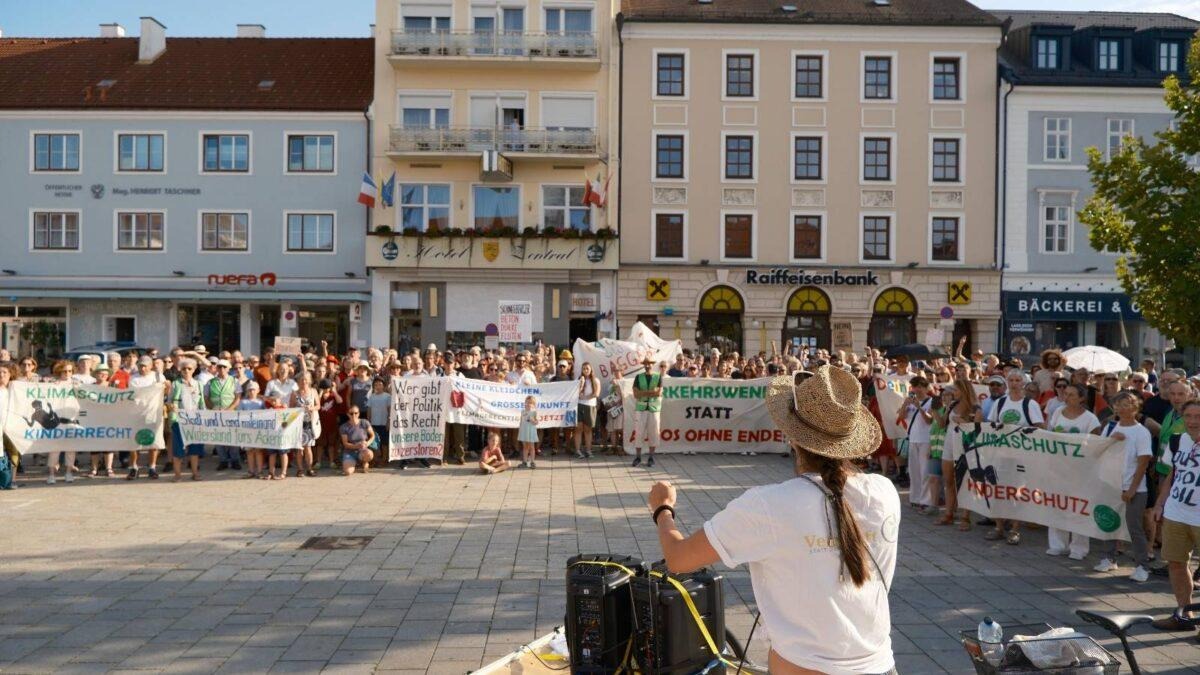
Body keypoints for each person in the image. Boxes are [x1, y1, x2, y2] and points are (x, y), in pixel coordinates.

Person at [647, 366, 898, 674]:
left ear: (791, 437)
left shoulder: (768, 506)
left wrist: (663, 509)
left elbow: (679, 558)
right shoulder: (885, 493)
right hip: (881, 665)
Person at [1092, 392, 1154, 581]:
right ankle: (1109, 558)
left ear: (1135, 408)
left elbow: (1143, 463)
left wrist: (1132, 489)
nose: (1122, 408)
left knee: (1134, 527)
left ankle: (1142, 566)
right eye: (1118, 405)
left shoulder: (1141, 432)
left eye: (1127, 404)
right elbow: (1099, 450)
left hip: (1133, 487)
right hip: (1110, 484)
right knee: (1109, 521)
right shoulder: (1110, 426)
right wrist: (1112, 440)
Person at [1150, 400, 1200, 634]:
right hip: (1176, 513)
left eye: (1198, 416)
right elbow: (1173, 474)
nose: (1192, 421)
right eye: (1188, 416)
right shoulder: (1178, 440)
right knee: (1177, 564)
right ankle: (1184, 614)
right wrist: (1160, 503)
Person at [985, 369, 1045, 545]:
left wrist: (1024, 433)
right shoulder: (1000, 402)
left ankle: (1015, 529)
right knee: (998, 489)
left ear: (1023, 383)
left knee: (1017, 491)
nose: (1014, 383)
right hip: (1001, 454)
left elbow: (1040, 427)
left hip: (1021, 456)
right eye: (1011, 380)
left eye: (1018, 380)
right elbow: (991, 425)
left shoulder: (1030, 404)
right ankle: (998, 527)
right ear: (1007, 383)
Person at [1045, 384, 1100, 560]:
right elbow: (1050, 435)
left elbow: (1095, 444)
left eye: (1071, 395)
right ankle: (1057, 544)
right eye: (1065, 394)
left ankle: (1079, 548)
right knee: (1056, 504)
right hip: (1058, 468)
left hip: (1080, 470)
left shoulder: (1090, 419)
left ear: (1081, 398)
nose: (1067, 397)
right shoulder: (1057, 412)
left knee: (1079, 507)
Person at [896, 376, 934, 511]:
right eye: (913, 387)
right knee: (913, 471)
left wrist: (920, 407)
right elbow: (901, 417)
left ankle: (925, 500)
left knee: (925, 471)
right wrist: (906, 404)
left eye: (918, 386)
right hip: (912, 439)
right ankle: (915, 498)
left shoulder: (932, 401)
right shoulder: (910, 401)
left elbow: (929, 421)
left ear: (924, 387)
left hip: (926, 440)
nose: (915, 389)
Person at [166, 358, 205, 482]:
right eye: (184, 368)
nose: (186, 371)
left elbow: (202, 404)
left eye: (189, 368)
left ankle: (195, 473)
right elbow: (169, 401)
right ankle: (177, 475)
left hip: (194, 421)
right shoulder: (176, 384)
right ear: (180, 370)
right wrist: (171, 406)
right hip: (179, 421)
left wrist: (203, 419)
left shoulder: (198, 384)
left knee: (194, 449)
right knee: (178, 449)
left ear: (194, 370)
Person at [207, 359, 242, 471]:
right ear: (216, 368)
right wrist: (213, 408)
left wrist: (228, 410)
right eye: (219, 367)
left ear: (228, 369)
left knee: (233, 437)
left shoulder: (234, 381)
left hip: (231, 413)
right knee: (219, 437)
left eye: (224, 367)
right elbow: (206, 398)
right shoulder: (210, 382)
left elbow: (237, 398)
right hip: (216, 413)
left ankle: (234, 460)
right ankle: (223, 460)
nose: (221, 369)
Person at [631, 356, 663, 468]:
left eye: (649, 363)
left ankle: (651, 457)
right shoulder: (638, 377)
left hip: (654, 409)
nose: (648, 365)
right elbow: (636, 394)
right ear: (644, 365)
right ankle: (638, 457)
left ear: (652, 364)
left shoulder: (658, 376)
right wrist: (651, 392)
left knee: (653, 433)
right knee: (639, 433)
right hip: (641, 408)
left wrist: (643, 392)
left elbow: (659, 393)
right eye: (646, 363)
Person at [290, 371, 319, 477]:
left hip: (309, 423)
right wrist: (297, 409)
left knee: (308, 447)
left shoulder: (313, 391)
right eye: (301, 380)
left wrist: (312, 408)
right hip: (298, 424)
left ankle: (309, 468)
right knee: (299, 447)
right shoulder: (294, 393)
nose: (304, 381)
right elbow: (290, 408)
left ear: (310, 381)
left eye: (306, 379)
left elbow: (318, 405)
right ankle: (300, 469)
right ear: (298, 381)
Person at [236, 381, 266, 479]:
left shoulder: (261, 402)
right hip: (247, 430)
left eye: (253, 389)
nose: (252, 391)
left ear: (258, 391)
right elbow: (239, 414)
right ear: (247, 391)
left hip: (258, 430)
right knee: (249, 451)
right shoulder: (243, 402)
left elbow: (266, 414)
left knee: (258, 451)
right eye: (250, 390)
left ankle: (260, 471)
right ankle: (251, 471)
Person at [338, 405, 375, 476]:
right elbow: (345, 444)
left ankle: (364, 462)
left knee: (369, 454)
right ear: (347, 414)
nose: (354, 415)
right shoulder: (343, 427)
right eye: (351, 413)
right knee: (348, 472)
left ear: (359, 413)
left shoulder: (364, 422)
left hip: (363, 450)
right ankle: (354, 463)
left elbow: (372, 435)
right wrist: (357, 446)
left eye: (356, 413)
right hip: (350, 451)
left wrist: (367, 443)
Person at [575, 362, 600, 459]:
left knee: (588, 430)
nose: (585, 370)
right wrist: (581, 383)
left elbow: (596, 394)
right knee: (578, 429)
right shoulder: (579, 379)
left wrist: (585, 397)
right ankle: (577, 450)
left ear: (591, 369)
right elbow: (576, 392)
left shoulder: (595, 380)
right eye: (584, 368)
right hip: (579, 405)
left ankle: (588, 450)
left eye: (587, 368)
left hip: (590, 406)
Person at [366, 378, 391, 464]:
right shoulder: (372, 396)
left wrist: (388, 421)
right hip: (374, 423)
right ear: (373, 386)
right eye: (376, 385)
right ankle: (375, 459)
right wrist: (368, 423)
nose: (378, 386)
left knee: (384, 442)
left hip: (384, 423)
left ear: (384, 386)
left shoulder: (387, 396)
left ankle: (385, 459)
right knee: (374, 442)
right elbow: (369, 410)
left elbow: (389, 410)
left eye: (380, 384)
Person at [518, 395, 539, 469]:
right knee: (525, 447)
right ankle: (524, 461)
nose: (528, 404)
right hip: (524, 431)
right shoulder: (523, 411)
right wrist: (520, 430)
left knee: (531, 447)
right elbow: (521, 421)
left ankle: (532, 462)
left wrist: (532, 420)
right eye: (527, 402)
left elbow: (537, 422)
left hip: (531, 431)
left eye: (530, 403)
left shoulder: (534, 412)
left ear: (534, 404)